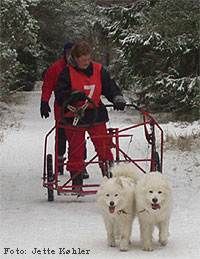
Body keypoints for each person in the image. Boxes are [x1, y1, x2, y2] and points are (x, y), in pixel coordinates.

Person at [55, 41, 126, 191]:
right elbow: (60, 96)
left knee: (104, 146)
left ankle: (110, 180)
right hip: (74, 115)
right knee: (76, 149)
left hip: (95, 113)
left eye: (88, 59)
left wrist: (117, 97)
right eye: (83, 60)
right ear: (75, 58)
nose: (87, 63)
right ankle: (76, 181)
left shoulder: (99, 70)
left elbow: (109, 87)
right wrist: (72, 95)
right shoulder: (67, 73)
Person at [40, 42, 89, 178]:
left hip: (79, 109)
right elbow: (48, 85)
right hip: (62, 108)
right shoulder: (56, 68)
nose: (69, 56)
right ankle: (59, 160)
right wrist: (44, 101)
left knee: (79, 137)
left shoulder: (82, 67)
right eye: (67, 53)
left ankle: (80, 164)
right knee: (61, 135)